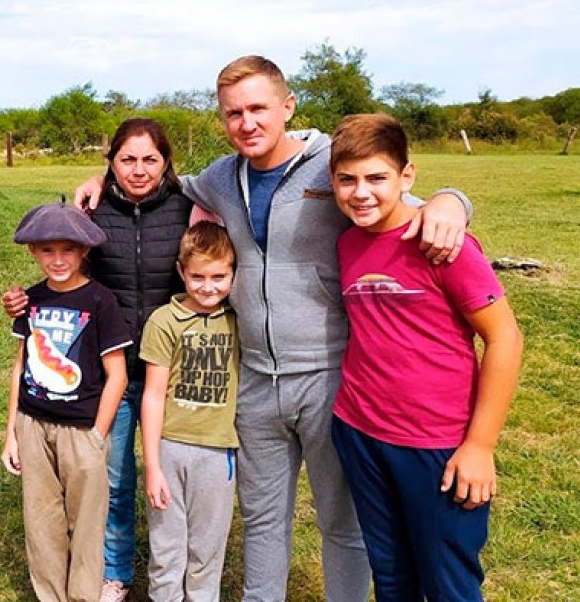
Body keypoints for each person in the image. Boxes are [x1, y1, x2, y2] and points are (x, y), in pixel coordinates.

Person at [77, 55, 473, 602]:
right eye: (233, 113)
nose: (248, 123)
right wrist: (98, 178)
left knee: (343, 523)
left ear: (287, 107)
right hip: (256, 378)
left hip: (331, 376)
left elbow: (398, 200)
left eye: (259, 108)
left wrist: (455, 201)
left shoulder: (329, 168)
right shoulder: (220, 177)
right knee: (263, 519)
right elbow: (156, 180)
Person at [328, 113, 523, 601]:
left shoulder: (443, 244)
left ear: (407, 176)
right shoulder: (349, 242)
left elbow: (505, 339)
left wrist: (479, 446)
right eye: (347, 180)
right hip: (361, 431)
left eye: (377, 178)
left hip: (437, 444)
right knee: (391, 574)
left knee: (448, 581)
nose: (361, 193)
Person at [5, 118, 193, 602]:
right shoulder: (91, 211)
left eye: (150, 159)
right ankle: (114, 572)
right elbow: (61, 278)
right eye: (127, 159)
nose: (138, 169)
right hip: (106, 373)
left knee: (172, 473)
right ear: (110, 162)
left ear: (166, 163)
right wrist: (22, 303)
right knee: (114, 481)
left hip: (167, 370)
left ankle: (176, 573)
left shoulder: (189, 208)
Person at [2, 201, 132, 602]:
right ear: (32, 252)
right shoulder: (31, 300)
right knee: (41, 521)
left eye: (68, 249)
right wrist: (11, 434)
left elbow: (118, 375)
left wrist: (97, 434)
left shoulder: (100, 302)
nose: (58, 259)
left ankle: (83, 596)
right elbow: (20, 365)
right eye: (47, 250)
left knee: (87, 522)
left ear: (84, 251)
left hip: (82, 429)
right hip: (33, 424)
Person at [140, 221, 239, 602]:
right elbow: (153, 395)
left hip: (217, 451)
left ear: (232, 273)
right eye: (198, 276)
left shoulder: (237, 320)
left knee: (207, 549)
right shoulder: (164, 321)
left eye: (219, 276)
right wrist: (152, 465)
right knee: (166, 548)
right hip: (170, 448)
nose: (208, 286)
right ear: (182, 271)